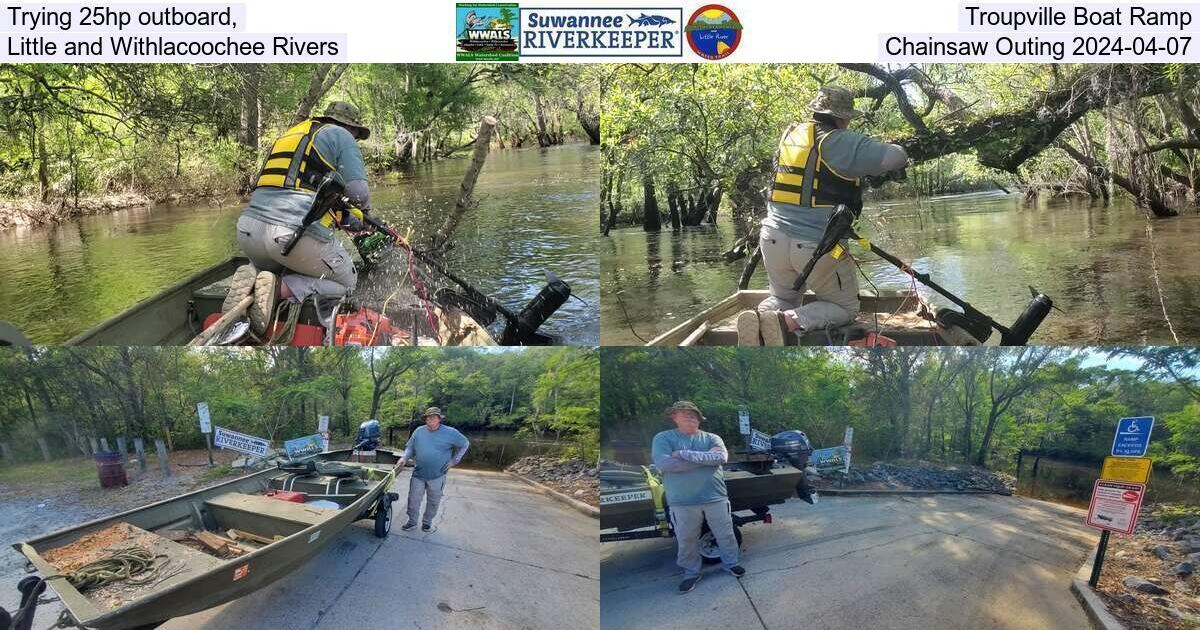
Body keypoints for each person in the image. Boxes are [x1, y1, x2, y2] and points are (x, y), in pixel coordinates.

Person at [739, 85, 908, 346]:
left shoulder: (791, 134)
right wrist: (892, 146)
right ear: (843, 117)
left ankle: (762, 317)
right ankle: (788, 322)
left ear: (816, 110)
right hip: (816, 245)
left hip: (771, 238)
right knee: (844, 307)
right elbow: (896, 158)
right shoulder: (837, 140)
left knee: (783, 297)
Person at [226, 101, 375, 335]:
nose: (355, 140)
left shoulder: (290, 136)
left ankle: (254, 275)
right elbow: (358, 195)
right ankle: (278, 289)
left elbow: (300, 192)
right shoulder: (341, 136)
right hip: (289, 238)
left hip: (249, 233)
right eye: (356, 135)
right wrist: (366, 216)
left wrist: (349, 219)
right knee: (347, 282)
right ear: (351, 128)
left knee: (285, 261)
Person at [651, 400, 744, 594]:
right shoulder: (663, 438)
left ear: (699, 419)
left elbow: (720, 458)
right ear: (673, 417)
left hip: (716, 497)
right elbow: (666, 465)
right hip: (681, 501)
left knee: (725, 534)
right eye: (683, 412)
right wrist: (704, 460)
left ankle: (731, 564)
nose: (689, 415)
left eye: (693, 413)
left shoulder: (712, 438)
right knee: (686, 539)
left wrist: (683, 454)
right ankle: (691, 573)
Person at [397, 407, 470, 533]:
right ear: (425, 419)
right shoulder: (419, 431)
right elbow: (410, 448)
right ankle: (412, 521)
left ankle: (427, 522)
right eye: (428, 417)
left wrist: (454, 461)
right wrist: (404, 457)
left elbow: (465, 444)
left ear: (439, 419)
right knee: (413, 499)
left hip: (438, 475)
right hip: (418, 473)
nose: (430, 419)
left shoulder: (451, 432)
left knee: (433, 501)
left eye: (434, 416)